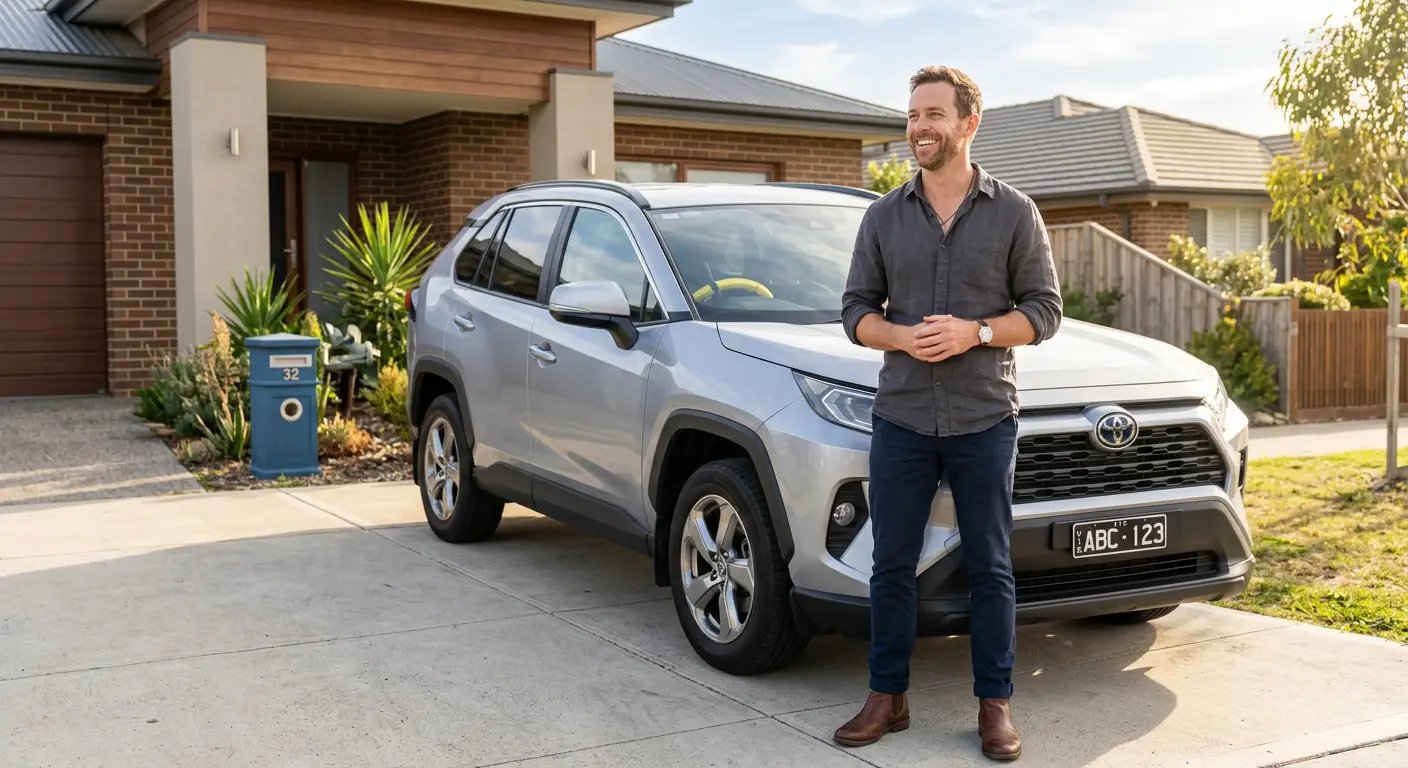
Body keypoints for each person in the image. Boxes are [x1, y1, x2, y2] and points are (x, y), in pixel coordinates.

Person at [832, 65, 1062, 761]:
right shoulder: (883, 216)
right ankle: (887, 696)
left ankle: (995, 705)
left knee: (991, 563)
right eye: (912, 115)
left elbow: (1044, 313)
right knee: (891, 563)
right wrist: (900, 336)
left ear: (968, 123)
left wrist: (977, 332)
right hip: (901, 416)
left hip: (984, 417)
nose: (919, 128)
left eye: (933, 113)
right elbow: (854, 313)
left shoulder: (1015, 213)